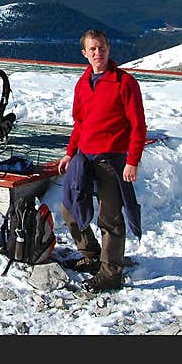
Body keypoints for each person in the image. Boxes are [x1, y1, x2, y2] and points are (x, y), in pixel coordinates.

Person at [57, 29, 146, 292]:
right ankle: (91, 253)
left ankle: (111, 273)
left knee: (110, 218)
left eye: (102, 47)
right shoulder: (83, 83)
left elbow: (138, 126)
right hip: (84, 157)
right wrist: (70, 152)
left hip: (112, 160)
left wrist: (133, 161)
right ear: (84, 53)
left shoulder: (124, 83)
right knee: (69, 208)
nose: (99, 53)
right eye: (93, 49)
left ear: (108, 49)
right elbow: (80, 123)